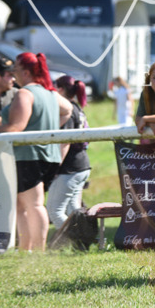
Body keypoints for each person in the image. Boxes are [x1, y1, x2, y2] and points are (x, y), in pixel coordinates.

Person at [0, 52, 72, 251]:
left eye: (16, 68)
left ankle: (38, 250)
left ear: (25, 71)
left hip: (29, 156)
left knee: (33, 205)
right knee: (22, 205)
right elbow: (67, 110)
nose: (14, 73)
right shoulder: (51, 93)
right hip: (48, 155)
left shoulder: (25, 93)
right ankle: (26, 249)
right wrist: (50, 130)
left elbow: (16, 126)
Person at [46, 75, 91, 228]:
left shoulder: (68, 110)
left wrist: (55, 168)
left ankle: (77, 240)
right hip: (81, 165)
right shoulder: (78, 108)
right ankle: (84, 241)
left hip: (69, 167)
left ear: (60, 89)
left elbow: (65, 141)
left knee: (55, 211)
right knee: (73, 209)